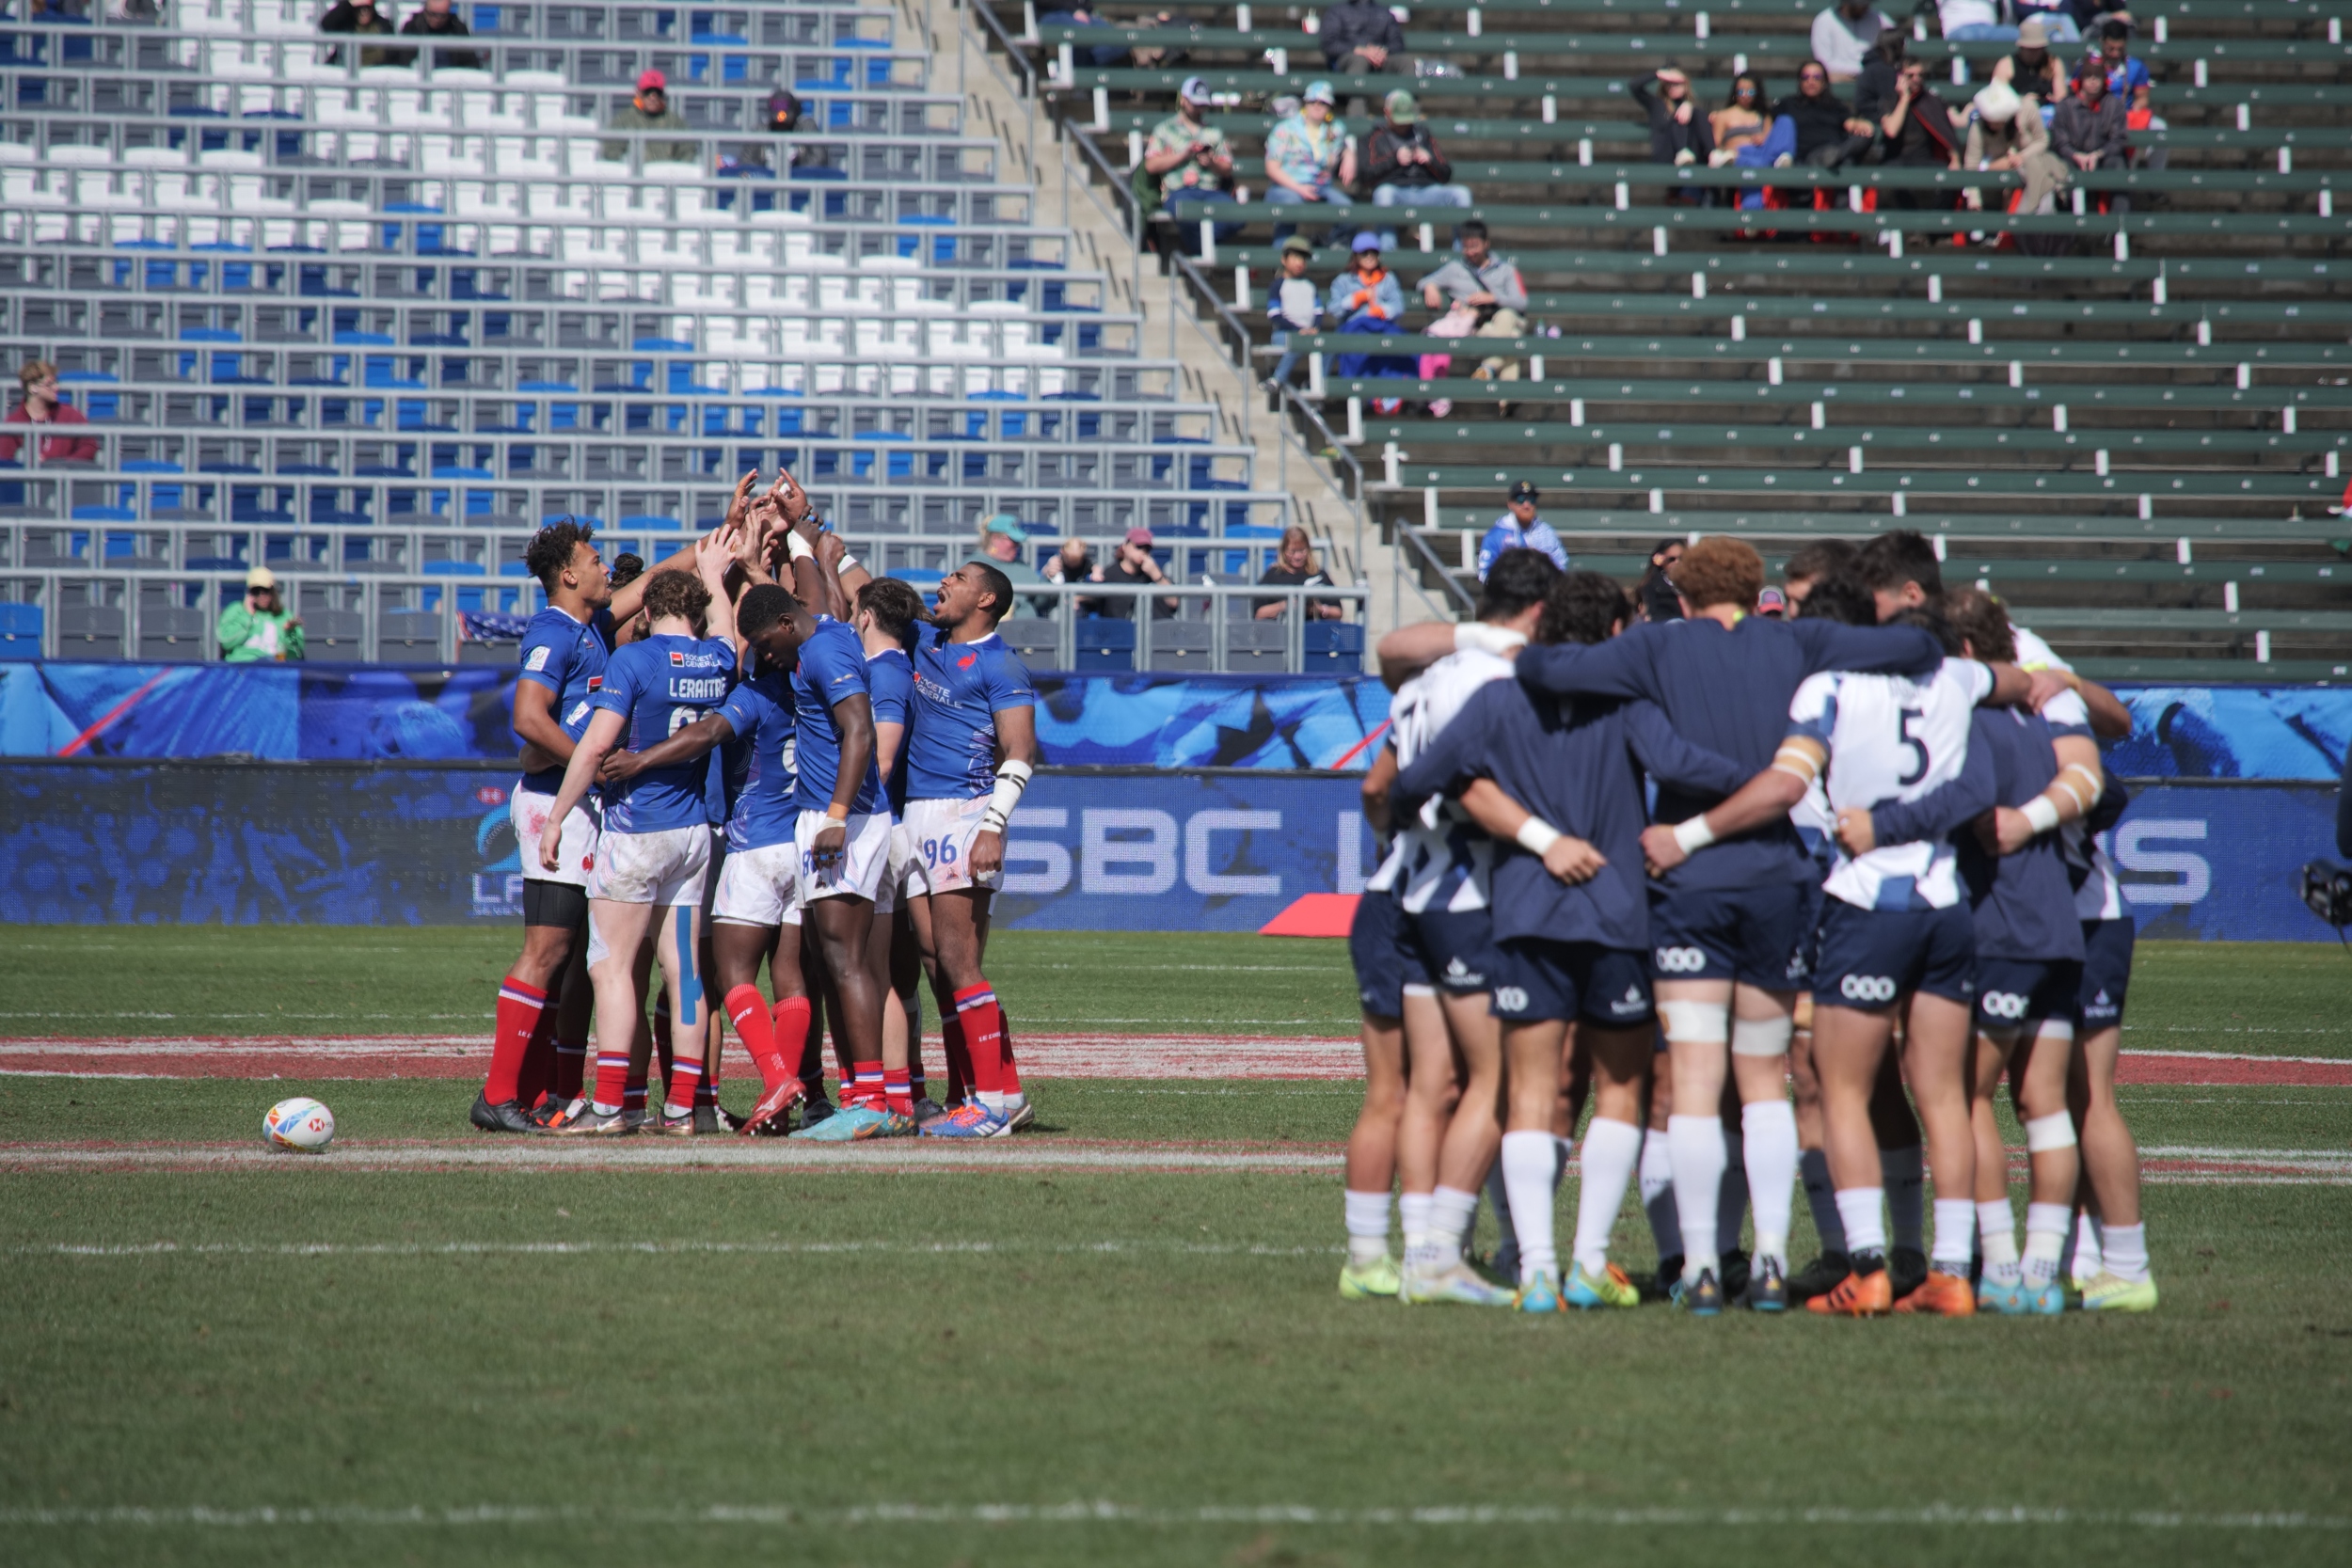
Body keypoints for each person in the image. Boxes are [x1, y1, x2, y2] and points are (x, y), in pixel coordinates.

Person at [1491, 536, 1947, 1314]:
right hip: (1776, 874)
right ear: (1757, 586)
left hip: (1689, 878)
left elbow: (1542, 668)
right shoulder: (1797, 636)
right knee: (1766, 1080)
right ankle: (1771, 1259)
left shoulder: (1656, 647)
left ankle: (1702, 1265)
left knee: (1697, 1085)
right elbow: (1916, 644)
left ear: (1684, 588)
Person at [1644, 570, 2029, 1316]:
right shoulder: (1953, 675)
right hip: (1944, 899)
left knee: (1840, 1091)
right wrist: (2050, 683)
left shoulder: (1824, 690)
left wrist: (1689, 832)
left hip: (1864, 897)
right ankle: (1951, 1271)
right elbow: (2017, 685)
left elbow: (1787, 785)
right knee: (1944, 1097)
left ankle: (1868, 1266)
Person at [1400, 570, 1755, 1313]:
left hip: (1528, 913)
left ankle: (1535, 1269)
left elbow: (1425, 775)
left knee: (1530, 1092)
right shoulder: (1624, 700)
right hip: (1619, 914)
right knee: (1623, 1089)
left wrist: (1414, 805)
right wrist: (1767, 780)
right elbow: (1682, 765)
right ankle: (1590, 1261)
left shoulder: (1498, 698)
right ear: (1615, 636)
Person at [1368, 548, 1564, 1306]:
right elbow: (1477, 789)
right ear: (1539, 613)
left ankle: (1422, 1247)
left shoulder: (1430, 677)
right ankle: (1443, 1250)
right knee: (1501, 1079)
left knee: (1431, 1084)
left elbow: (1379, 782)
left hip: (1411, 886)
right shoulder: (1503, 681)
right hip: (1468, 891)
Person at [473, 513, 687, 1134]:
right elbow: (528, 718)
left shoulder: (589, 626)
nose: (604, 566)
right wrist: (588, 767)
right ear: (568, 573)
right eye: (593, 559)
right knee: (545, 951)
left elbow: (649, 584)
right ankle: (497, 1094)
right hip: (550, 802)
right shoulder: (555, 630)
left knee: (565, 959)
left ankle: (533, 1092)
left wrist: (714, 541)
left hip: (572, 804)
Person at [536, 543, 740, 1136]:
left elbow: (596, 746)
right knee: (686, 975)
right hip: (692, 835)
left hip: (636, 833)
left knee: (613, 968)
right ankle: (681, 1106)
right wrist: (713, 574)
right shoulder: (718, 659)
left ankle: (610, 1105)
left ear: (646, 613)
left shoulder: (635, 661)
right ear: (696, 613)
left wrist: (556, 818)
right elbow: (726, 628)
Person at [882, 561, 1041, 1139]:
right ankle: (996, 1093)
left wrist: (993, 826)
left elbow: (1021, 751)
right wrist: (806, 531)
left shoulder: (1000, 663)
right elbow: (864, 591)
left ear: (987, 599)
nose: (943, 581)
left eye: (958, 577)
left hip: (964, 814)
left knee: (959, 961)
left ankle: (993, 1106)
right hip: (918, 816)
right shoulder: (927, 637)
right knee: (936, 963)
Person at [1417, 221, 1528, 410]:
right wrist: (1429, 287)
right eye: (1466, 247)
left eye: (1474, 246)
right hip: (1479, 325)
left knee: (1507, 316)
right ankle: (1507, 400)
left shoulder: (1505, 270)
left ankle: (1489, 367)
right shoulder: (1455, 269)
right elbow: (1425, 281)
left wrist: (1493, 297)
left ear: (1486, 244)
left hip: (1505, 318)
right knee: (1513, 338)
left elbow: (1521, 302)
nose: (1470, 252)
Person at [1143, 78, 1236, 253]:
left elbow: (1227, 167)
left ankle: (1197, 251)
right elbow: (1151, 165)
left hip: (1210, 191)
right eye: (1195, 103)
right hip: (1178, 190)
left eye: (1202, 104)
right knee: (1186, 214)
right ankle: (1200, 252)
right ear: (1183, 100)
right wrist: (1182, 155)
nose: (1199, 108)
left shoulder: (1214, 131)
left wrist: (1211, 163)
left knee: (1237, 217)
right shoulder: (1165, 129)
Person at [1364, 90, 1470, 240]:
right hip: (1396, 190)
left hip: (1427, 190)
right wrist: (1395, 159)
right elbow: (1366, 176)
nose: (1403, 124)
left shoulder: (1423, 133)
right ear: (1387, 113)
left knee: (1461, 194)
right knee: (1384, 195)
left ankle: (1462, 252)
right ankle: (1388, 252)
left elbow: (1446, 174)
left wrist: (1429, 161)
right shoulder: (1375, 136)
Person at [1263, 81, 1354, 245]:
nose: (1317, 106)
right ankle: (1281, 261)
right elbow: (1272, 168)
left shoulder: (1336, 129)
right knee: (1291, 206)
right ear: (1306, 104)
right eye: (1313, 102)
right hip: (1286, 186)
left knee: (1347, 210)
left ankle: (1331, 249)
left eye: (1323, 103)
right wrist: (1299, 188)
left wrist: (1349, 154)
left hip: (1321, 187)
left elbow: (1347, 144)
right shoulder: (1285, 129)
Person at [1966, 82, 2069, 217]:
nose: (1995, 124)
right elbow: (1972, 164)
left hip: (2032, 165)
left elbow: (2042, 139)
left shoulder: (2027, 108)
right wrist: (1974, 199)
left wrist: (2022, 157)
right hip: (1997, 170)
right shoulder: (1978, 127)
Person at [1327, 232, 1408, 396]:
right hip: (1354, 327)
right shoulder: (1344, 280)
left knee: (1405, 345)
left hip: (1381, 326)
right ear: (1356, 256)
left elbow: (1398, 306)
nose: (1370, 257)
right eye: (1364, 253)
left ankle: (1395, 392)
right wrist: (1355, 299)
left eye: (1374, 253)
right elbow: (1333, 308)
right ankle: (1359, 394)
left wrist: (1381, 310)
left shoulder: (1388, 278)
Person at [2052, 65, 2130, 212]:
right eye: (2089, 77)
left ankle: (2120, 224)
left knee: (2119, 165)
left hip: (2103, 156)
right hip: (2072, 157)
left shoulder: (2114, 105)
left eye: (2098, 78)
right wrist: (2076, 156)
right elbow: (2060, 141)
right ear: (2081, 80)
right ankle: (2066, 228)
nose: (2093, 82)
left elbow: (2119, 138)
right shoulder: (2065, 106)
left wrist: (2098, 154)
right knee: (2061, 168)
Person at [1774, 61, 1879, 169]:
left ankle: (1838, 155)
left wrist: (1861, 125)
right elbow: (1768, 122)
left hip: (1837, 148)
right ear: (1800, 81)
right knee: (1836, 158)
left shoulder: (1835, 105)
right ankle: (1837, 157)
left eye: (1817, 77)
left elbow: (1850, 123)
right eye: (1805, 77)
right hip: (1809, 156)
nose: (1811, 81)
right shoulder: (1788, 104)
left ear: (1824, 81)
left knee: (1866, 135)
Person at [1877, 56, 1962, 183]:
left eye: (1921, 75)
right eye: (1910, 76)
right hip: (1896, 162)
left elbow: (1947, 134)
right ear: (1900, 77)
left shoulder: (1932, 101)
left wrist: (1955, 160)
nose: (1917, 79)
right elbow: (1891, 131)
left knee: (1947, 178)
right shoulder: (1889, 101)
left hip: (1925, 162)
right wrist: (1904, 98)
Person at [1319, 0, 1410, 113]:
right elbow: (1329, 44)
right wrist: (1359, 50)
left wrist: (1380, 52)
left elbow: (1397, 43)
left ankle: (1406, 114)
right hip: (1348, 60)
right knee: (1359, 61)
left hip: (1380, 60)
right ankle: (1357, 116)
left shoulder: (1384, 13)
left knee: (1407, 62)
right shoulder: (1336, 11)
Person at [1, 361, 98, 464]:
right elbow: (5, 460)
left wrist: (65, 465)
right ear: (33, 387)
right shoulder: (13, 424)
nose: (56, 388)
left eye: (56, 383)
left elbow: (89, 446)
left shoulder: (71, 415)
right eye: (49, 384)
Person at [1263, 235, 1324, 393]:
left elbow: (1318, 311)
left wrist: (1315, 327)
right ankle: (1277, 379)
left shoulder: (1310, 285)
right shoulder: (1278, 285)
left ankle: (1316, 385)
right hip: (1283, 334)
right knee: (1298, 343)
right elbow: (1274, 314)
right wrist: (1297, 330)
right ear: (1284, 260)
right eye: (1295, 257)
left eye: (1303, 259)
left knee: (1329, 347)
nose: (1299, 263)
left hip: (1308, 333)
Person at [1475, 481, 1566, 580]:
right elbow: (1484, 572)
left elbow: (1560, 566)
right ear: (1510, 504)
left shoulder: (1547, 533)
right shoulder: (1496, 535)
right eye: (1521, 500)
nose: (1526, 506)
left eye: (1531, 500)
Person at [601, 69, 695, 166]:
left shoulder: (675, 122)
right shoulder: (623, 120)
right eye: (647, 92)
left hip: (667, 177)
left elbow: (688, 150)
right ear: (638, 93)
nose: (653, 97)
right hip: (636, 176)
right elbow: (611, 150)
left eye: (657, 92)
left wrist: (674, 171)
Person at [970, 513, 1054, 616]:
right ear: (995, 538)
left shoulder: (1022, 568)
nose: (1017, 545)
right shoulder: (971, 566)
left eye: (1017, 542)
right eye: (1012, 541)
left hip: (1026, 629)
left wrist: (1048, 578)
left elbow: (1040, 603)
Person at [1254, 525, 1345, 620]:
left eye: (1302, 551)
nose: (1298, 557)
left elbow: (1338, 612)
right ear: (1284, 550)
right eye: (1292, 551)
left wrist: (1319, 609)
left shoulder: (1319, 575)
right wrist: (1284, 606)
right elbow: (1258, 613)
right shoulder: (1273, 575)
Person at [1629, 68, 1715, 169]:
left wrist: (1689, 106)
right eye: (1668, 83)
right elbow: (1634, 86)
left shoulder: (1693, 109)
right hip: (1667, 158)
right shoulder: (1657, 104)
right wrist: (1659, 74)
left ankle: (1714, 153)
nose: (1672, 87)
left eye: (1677, 83)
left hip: (1694, 159)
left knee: (1698, 114)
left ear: (1685, 85)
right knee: (1677, 117)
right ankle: (1682, 153)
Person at [216, 565, 305, 662]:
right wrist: (247, 616)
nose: (262, 596)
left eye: (266, 591)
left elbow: (295, 655)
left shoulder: (284, 616)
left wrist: (289, 633)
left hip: (273, 668)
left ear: (273, 592)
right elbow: (227, 642)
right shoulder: (236, 610)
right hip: (242, 667)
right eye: (256, 591)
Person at [1100, 526, 1180, 620]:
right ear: (1125, 546)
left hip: (1154, 630)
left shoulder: (1154, 574)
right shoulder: (1110, 574)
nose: (1143, 551)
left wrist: (1156, 575)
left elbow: (1174, 602)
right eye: (1138, 546)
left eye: (1147, 548)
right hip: (1121, 630)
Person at [1813, 0, 1896, 81]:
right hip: (1839, 78)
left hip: (1873, 77)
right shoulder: (1825, 20)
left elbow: (1898, 39)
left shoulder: (1879, 19)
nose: (1865, 6)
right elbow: (1823, 62)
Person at [2090, 18, 2152, 116]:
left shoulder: (2136, 67)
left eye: (2120, 49)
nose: (2115, 54)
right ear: (2102, 41)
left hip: (2125, 116)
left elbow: (2142, 98)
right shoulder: (2089, 65)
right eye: (2110, 49)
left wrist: (2132, 113)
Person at [398, 0, 482, 70]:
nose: (437, 19)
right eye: (432, 14)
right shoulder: (413, 27)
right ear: (425, 10)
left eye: (442, 16)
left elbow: (471, 63)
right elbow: (402, 61)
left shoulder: (458, 29)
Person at [320, 0, 403, 69]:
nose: (363, 12)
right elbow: (326, 25)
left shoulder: (384, 26)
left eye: (367, 8)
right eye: (359, 9)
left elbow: (393, 56)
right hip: (348, 70)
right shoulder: (346, 25)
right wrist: (349, 3)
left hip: (376, 73)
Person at [1708, 73, 1772, 160]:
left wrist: (1763, 139)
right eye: (1740, 91)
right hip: (1734, 157)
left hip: (1758, 155)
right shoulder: (1723, 115)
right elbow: (1716, 144)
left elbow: (1770, 139)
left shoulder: (1764, 116)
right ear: (1735, 92)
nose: (1745, 96)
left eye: (1750, 92)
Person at [1040, 534, 1107, 616]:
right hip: (1058, 604)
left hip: (1080, 606)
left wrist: (1076, 598)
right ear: (1062, 552)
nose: (1073, 564)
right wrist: (1047, 572)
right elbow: (1045, 580)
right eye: (1070, 559)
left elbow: (1096, 595)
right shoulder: (1055, 563)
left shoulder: (1089, 565)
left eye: (1077, 561)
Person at [1635, 537, 1684, 623]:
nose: (1677, 563)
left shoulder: (1696, 586)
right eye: (1672, 559)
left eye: (1682, 558)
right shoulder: (1651, 586)